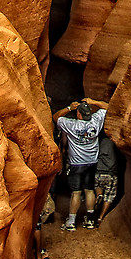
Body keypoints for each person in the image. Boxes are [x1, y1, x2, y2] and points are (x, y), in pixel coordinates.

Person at [52, 98, 108, 231]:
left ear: (79, 115)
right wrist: (93, 101)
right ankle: (90, 220)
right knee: (89, 190)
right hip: (92, 162)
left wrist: (70, 108)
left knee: (76, 192)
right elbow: (108, 107)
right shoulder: (96, 120)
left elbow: (55, 117)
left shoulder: (71, 124)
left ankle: (71, 222)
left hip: (76, 164)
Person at [93, 130, 118, 227]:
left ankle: (98, 195)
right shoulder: (115, 143)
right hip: (111, 174)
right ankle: (100, 217)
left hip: (98, 171)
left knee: (97, 187)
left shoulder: (97, 142)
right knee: (109, 197)